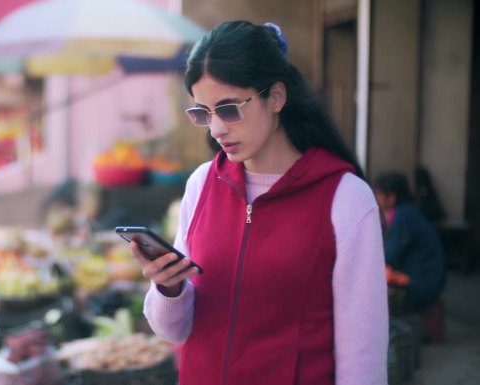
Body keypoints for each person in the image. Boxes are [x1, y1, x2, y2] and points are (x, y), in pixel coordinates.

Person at [127, 20, 389, 385]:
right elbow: (174, 332)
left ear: (277, 97)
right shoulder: (201, 184)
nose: (216, 129)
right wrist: (168, 289)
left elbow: (363, 355)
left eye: (229, 108)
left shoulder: (344, 199)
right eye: (203, 113)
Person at [374, 171, 447, 343]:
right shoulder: (408, 211)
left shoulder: (403, 216)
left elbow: (389, 254)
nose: (375, 198)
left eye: (378, 193)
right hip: (430, 277)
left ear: (391, 197)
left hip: (424, 282)